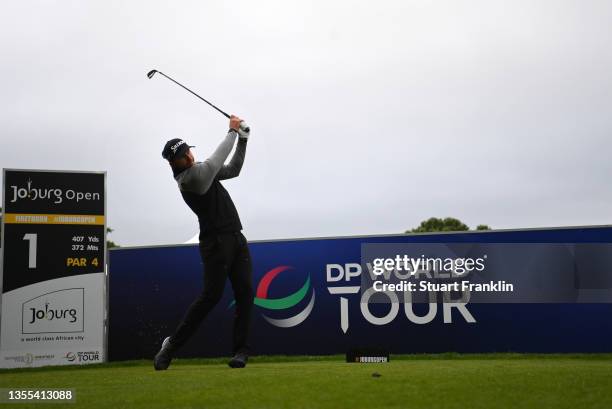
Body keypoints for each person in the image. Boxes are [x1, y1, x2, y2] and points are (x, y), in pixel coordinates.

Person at [154, 115, 253, 370]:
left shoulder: (202, 172)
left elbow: (232, 169)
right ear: (176, 162)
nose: (188, 157)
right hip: (215, 244)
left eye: (188, 152)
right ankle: (171, 346)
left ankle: (240, 351)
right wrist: (232, 132)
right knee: (211, 297)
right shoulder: (190, 178)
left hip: (235, 237)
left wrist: (243, 139)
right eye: (184, 156)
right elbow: (215, 162)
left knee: (244, 293)